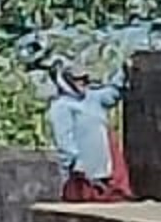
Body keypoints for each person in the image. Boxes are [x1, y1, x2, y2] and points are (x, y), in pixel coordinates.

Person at [49, 59, 127, 203]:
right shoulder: (61, 106)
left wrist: (124, 71)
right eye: (77, 79)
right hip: (81, 173)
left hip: (103, 167)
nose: (82, 82)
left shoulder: (93, 98)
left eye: (84, 79)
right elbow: (64, 140)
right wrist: (75, 163)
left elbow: (113, 93)